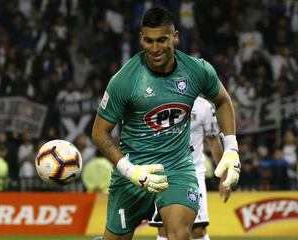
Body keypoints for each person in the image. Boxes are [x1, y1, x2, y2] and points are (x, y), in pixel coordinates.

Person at [91, 6, 240, 240]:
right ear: (141, 39)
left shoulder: (197, 70)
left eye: (162, 39)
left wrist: (231, 150)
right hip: (133, 171)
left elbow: (222, 100)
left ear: (176, 37)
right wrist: (130, 171)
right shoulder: (124, 81)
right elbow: (100, 133)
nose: (155, 48)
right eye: (149, 41)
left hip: (178, 168)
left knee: (180, 234)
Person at [149, 96, 231, 240]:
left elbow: (213, 141)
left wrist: (224, 176)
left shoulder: (204, 106)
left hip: (193, 174)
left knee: (198, 229)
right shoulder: (160, 100)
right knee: (163, 229)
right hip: (163, 172)